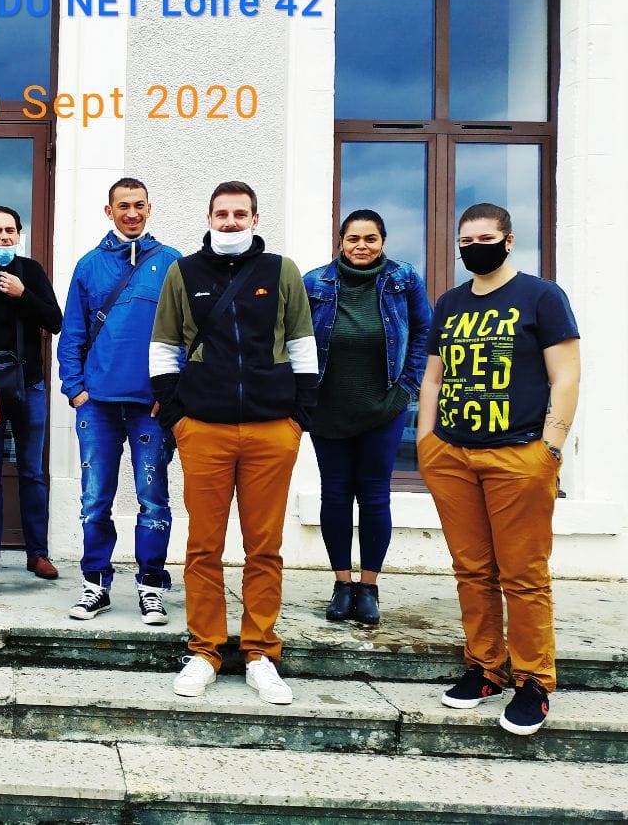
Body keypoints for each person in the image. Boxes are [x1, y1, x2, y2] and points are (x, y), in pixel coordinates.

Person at [151, 180, 317, 704]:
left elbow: (303, 344)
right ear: (208, 218)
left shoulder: (281, 272)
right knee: (203, 546)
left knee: (264, 547)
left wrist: (298, 419)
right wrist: (177, 417)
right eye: (221, 213)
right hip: (204, 429)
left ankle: (260, 652)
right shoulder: (183, 273)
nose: (230, 222)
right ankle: (204, 651)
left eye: (239, 214)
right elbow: (163, 346)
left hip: (272, 430)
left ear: (255, 219)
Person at [418, 202, 580, 737]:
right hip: (453, 455)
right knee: (472, 569)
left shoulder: (542, 296)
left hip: (519, 454)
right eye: (465, 241)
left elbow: (566, 375)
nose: (474, 248)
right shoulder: (450, 303)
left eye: (484, 239)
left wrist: (550, 448)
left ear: (508, 241)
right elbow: (434, 376)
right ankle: (485, 669)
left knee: (524, 574)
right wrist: (427, 443)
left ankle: (533, 681)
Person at [57, 177, 181, 625]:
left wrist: (171, 395)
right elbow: (72, 333)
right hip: (97, 406)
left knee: (153, 499)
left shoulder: (171, 263)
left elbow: (185, 336)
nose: (132, 213)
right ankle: (96, 585)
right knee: (95, 500)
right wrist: (75, 390)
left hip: (150, 407)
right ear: (108, 211)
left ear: (150, 208)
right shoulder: (89, 265)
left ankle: (151, 587)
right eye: (123, 206)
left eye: (139, 205)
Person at [302, 209, 431, 625]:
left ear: (383, 242)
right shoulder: (314, 283)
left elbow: (424, 333)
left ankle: (369, 587)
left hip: (384, 408)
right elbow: (295, 340)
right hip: (328, 409)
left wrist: (407, 387)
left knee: (375, 495)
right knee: (336, 495)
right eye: (353, 238)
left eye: (370, 238)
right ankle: (342, 584)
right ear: (340, 242)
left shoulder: (403, 280)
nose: (362, 246)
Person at [0, 205, 63, 581]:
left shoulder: (31, 271)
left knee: (32, 472)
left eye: (10, 231)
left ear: (19, 235)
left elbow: (55, 321)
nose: (4, 237)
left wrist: (24, 294)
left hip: (28, 383)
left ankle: (38, 554)